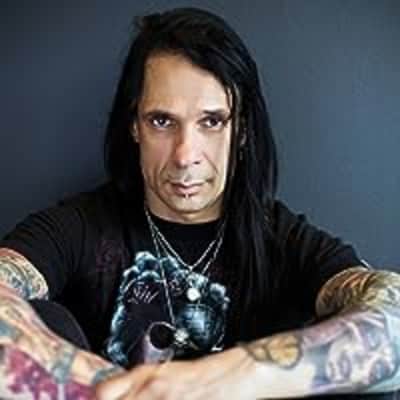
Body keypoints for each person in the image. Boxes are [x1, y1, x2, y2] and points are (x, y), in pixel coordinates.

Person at [0, 7, 399, 400]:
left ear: (242, 130)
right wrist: (115, 390)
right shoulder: (80, 227)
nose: (185, 155)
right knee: (42, 321)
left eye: (211, 122)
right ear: (134, 126)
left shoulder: (282, 238)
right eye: (162, 121)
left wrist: (226, 379)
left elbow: (392, 323)